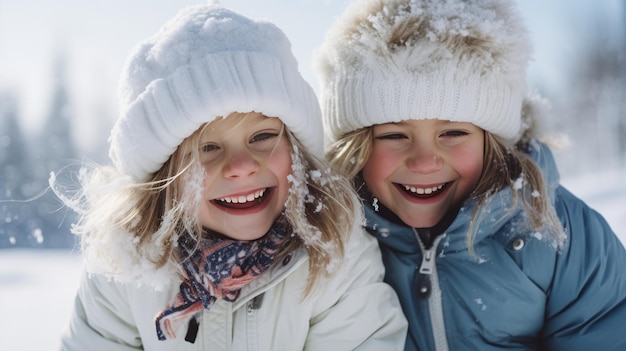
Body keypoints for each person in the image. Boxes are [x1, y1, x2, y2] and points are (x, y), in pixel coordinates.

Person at [53, 3, 408, 350]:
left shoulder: (336, 260)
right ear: (163, 176)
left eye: (262, 137)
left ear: (298, 152)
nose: (241, 165)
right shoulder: (125, 271)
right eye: (207, 148)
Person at [314, 0, 626, 350]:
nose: (424, 161)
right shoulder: (335, 247)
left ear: (492, 142)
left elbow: (605, 328)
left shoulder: (559, 233)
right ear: (354, 147)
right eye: (394, 135)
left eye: (453, 133)